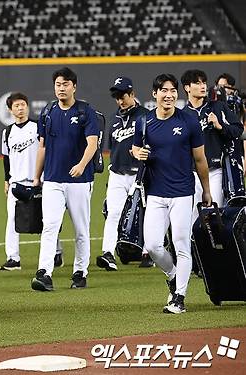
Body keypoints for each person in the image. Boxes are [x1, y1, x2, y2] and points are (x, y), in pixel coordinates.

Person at [132, 73, 212, 314]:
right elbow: (136, 147)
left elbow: (200, 159)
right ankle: (173, 274)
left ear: (177, 94)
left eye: (172, 91)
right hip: (155, 193)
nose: (169, 95)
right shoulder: (144, 122)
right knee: (154, 246)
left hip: (182, 192)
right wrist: (137, 154)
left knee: (181, 244)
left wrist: (206, 190)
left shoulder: (189, 121)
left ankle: (179, 297)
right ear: (154, 94)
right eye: (163, 91)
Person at [31, 67, 99, 291]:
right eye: (58, 84)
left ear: (74, 87)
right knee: (49, 226)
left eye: (66, 84)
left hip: (79, 181)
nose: (61, 88)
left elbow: (92, 143)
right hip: (52, 179)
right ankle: (44, 272)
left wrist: (81, 165)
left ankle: (80, 272)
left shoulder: (85, 111)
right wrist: (36, 176)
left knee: (80, 229)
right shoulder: (48, 111)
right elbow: (42, 146)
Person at [0, 92, 63, 271]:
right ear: (10, 110)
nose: (20, 108)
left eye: (23, 104)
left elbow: (48, 151)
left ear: (27, 106)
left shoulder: (38, 127)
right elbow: (6, 158)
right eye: (16, 105)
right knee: (12, 219)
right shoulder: (7, 132)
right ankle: (13, 258)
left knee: (47, 219)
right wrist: (6, 180)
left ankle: (56, 252)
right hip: (16, 182)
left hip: (39, 181)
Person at [97, 77, 153, 270]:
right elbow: (113, 148)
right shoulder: (113, 119)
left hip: (141, 173)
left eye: (123, 96)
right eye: (117, 97)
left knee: (144, 212)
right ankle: (108, 253)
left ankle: (147, 252)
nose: (120, 100)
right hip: (118, 174)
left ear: (132, 94)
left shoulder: (146, 115)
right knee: (113, 213)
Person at [181, 70, 242, 215]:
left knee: (214, 216)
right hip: (192, 174)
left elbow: (238, 129)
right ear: (187, 88)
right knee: (193, 219)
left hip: (215, 171)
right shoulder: (182, 115)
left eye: (204, 82)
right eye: (197, 83)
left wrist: (220, 126)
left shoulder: (218, 107)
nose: (203, 86)